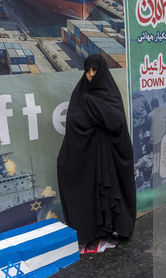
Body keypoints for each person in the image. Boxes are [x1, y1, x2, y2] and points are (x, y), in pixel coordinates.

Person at [56, 54, 136, 247]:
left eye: (95, 70)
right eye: (88, 70)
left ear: (102, 71)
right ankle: (90, 234)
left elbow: (117, 122)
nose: (91, 75)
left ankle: (110, 230)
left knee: (108, 193)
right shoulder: (80, 93)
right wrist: (94, 112)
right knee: (90, 193)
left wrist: (92, 106)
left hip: (109, 154)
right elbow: (74, 122)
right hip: (88, 154)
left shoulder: (110, 93)